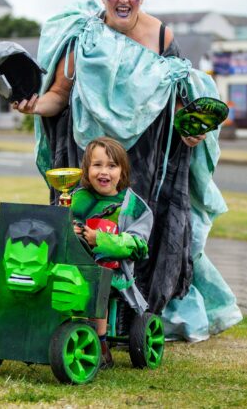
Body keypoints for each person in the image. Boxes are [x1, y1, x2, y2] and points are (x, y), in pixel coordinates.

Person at [12, 0, 242, 342]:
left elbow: (184, 105)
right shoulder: (84, 37)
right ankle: (72, 306)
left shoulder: (161, 38)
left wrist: (194, 130)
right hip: (88, 156)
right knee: (80, 229)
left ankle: (141, 315)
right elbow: (58, 95)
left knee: (141, 235)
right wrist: (35, 105)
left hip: (144, 163)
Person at [70, 136, 153, 368]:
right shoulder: (78, 198)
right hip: (74, 263)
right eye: (97, 165)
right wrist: (68, 227)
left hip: (113, 272)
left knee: (98, 280)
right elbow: (57, 224)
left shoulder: (134, 207)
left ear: (122, 171)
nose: (103, 171)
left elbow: (138, 245)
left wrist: (101, 240)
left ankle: (100, 343)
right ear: (86, 170)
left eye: (111, 165)